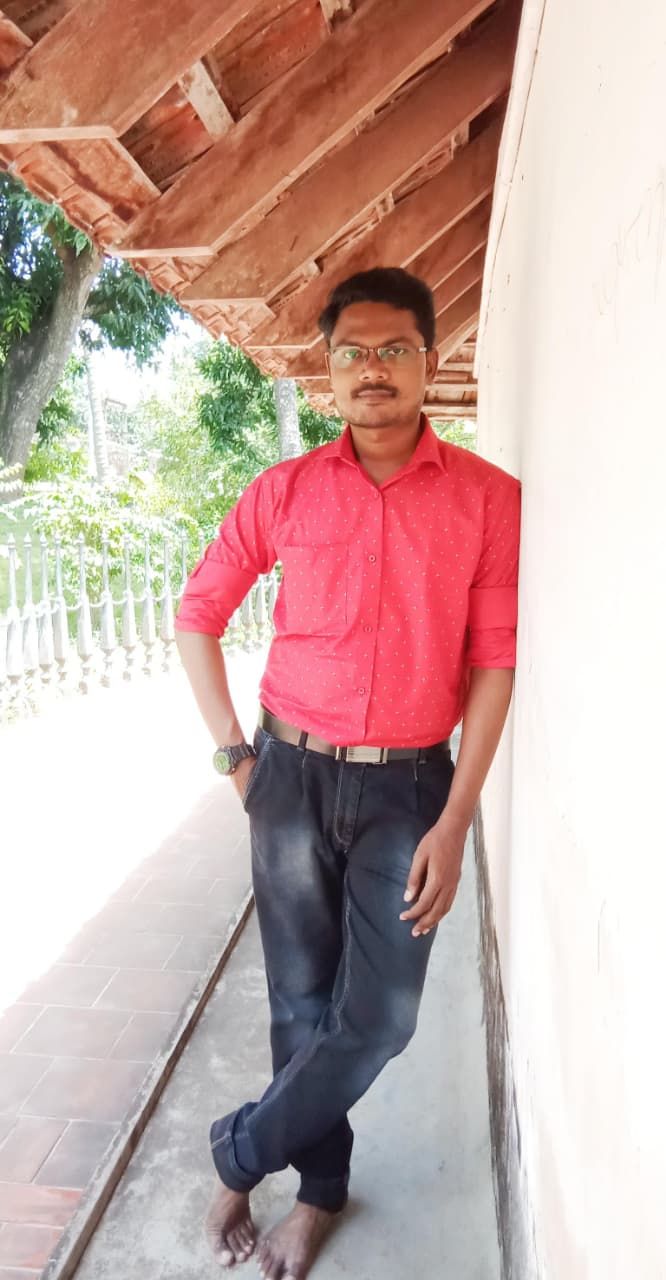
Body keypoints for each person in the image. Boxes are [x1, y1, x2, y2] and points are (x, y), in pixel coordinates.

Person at [175, 266, 521, 1280]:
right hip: (287, 778)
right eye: (352, 352)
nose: (373, 368)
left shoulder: (488, 500)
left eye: (393, 348)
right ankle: (318, 1192)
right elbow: (198, 614)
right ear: (326, 370)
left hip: (410, 792)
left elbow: (495, 664)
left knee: (380, 1016)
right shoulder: (283, 490)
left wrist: (457, 817)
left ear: (429, 359)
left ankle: (241, 1152)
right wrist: (235, 756)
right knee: (298, 1000)